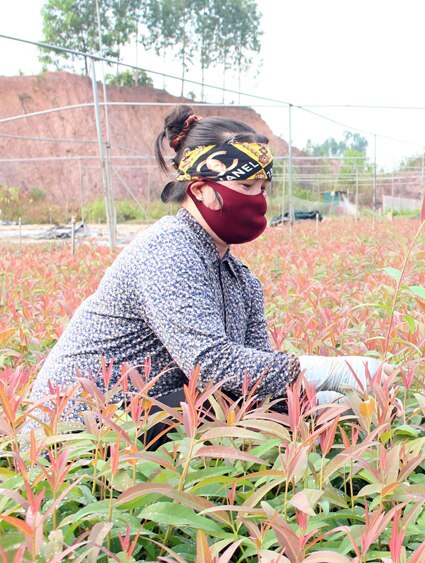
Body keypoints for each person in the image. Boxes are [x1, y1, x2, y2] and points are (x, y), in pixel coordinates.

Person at [26, 105, 387, 448]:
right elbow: (211, 365)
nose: (259, 200)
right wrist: (332, 372)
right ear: (201, 190)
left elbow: (257, 376)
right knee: (211, 408)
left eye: (263, 188)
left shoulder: (239, 278)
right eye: (246, 188)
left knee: (255, 409)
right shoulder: (168, 251)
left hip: (144, 412)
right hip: (80, 429)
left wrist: (325, 402)